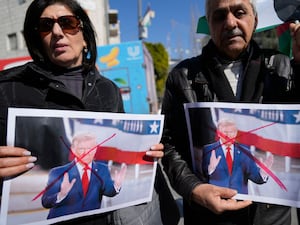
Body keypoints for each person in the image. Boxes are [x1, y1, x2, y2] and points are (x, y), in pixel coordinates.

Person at [0, 0, 180, 225]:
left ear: (85, 35)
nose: (57, 32)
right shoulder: (9, 89)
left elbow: (113, 187)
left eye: (67, 23)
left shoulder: (108, 90)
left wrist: (145, 152)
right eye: (46, 26)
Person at [160, 0, 300, 224]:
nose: (230, 22)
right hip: (208, 216)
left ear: (254, 20)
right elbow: (169, 145)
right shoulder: (183, 76)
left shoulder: (282, 67)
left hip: (271, 217)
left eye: (240, 12)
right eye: (219, 16)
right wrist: (195, 189)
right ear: (210, 24)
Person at [42, 132, 127, 219]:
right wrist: (61, 194)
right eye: (81, 148)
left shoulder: (102, 169)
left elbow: (108, 192)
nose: (86, 152)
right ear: (73, 149)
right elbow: (45, 202)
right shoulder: (57, 172)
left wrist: (116, 186)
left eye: (90, 148)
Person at [202, 118, 273, 194]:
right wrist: (211, 169)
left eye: (231, 132)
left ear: (235, 133)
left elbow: (255, 176)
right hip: (217, 196)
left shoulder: (245, 152)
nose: (228, 135)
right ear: (218, 133)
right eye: (225, 132)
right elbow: (202, 175)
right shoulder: (208, 149)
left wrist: (263, 173)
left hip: (240, 198)